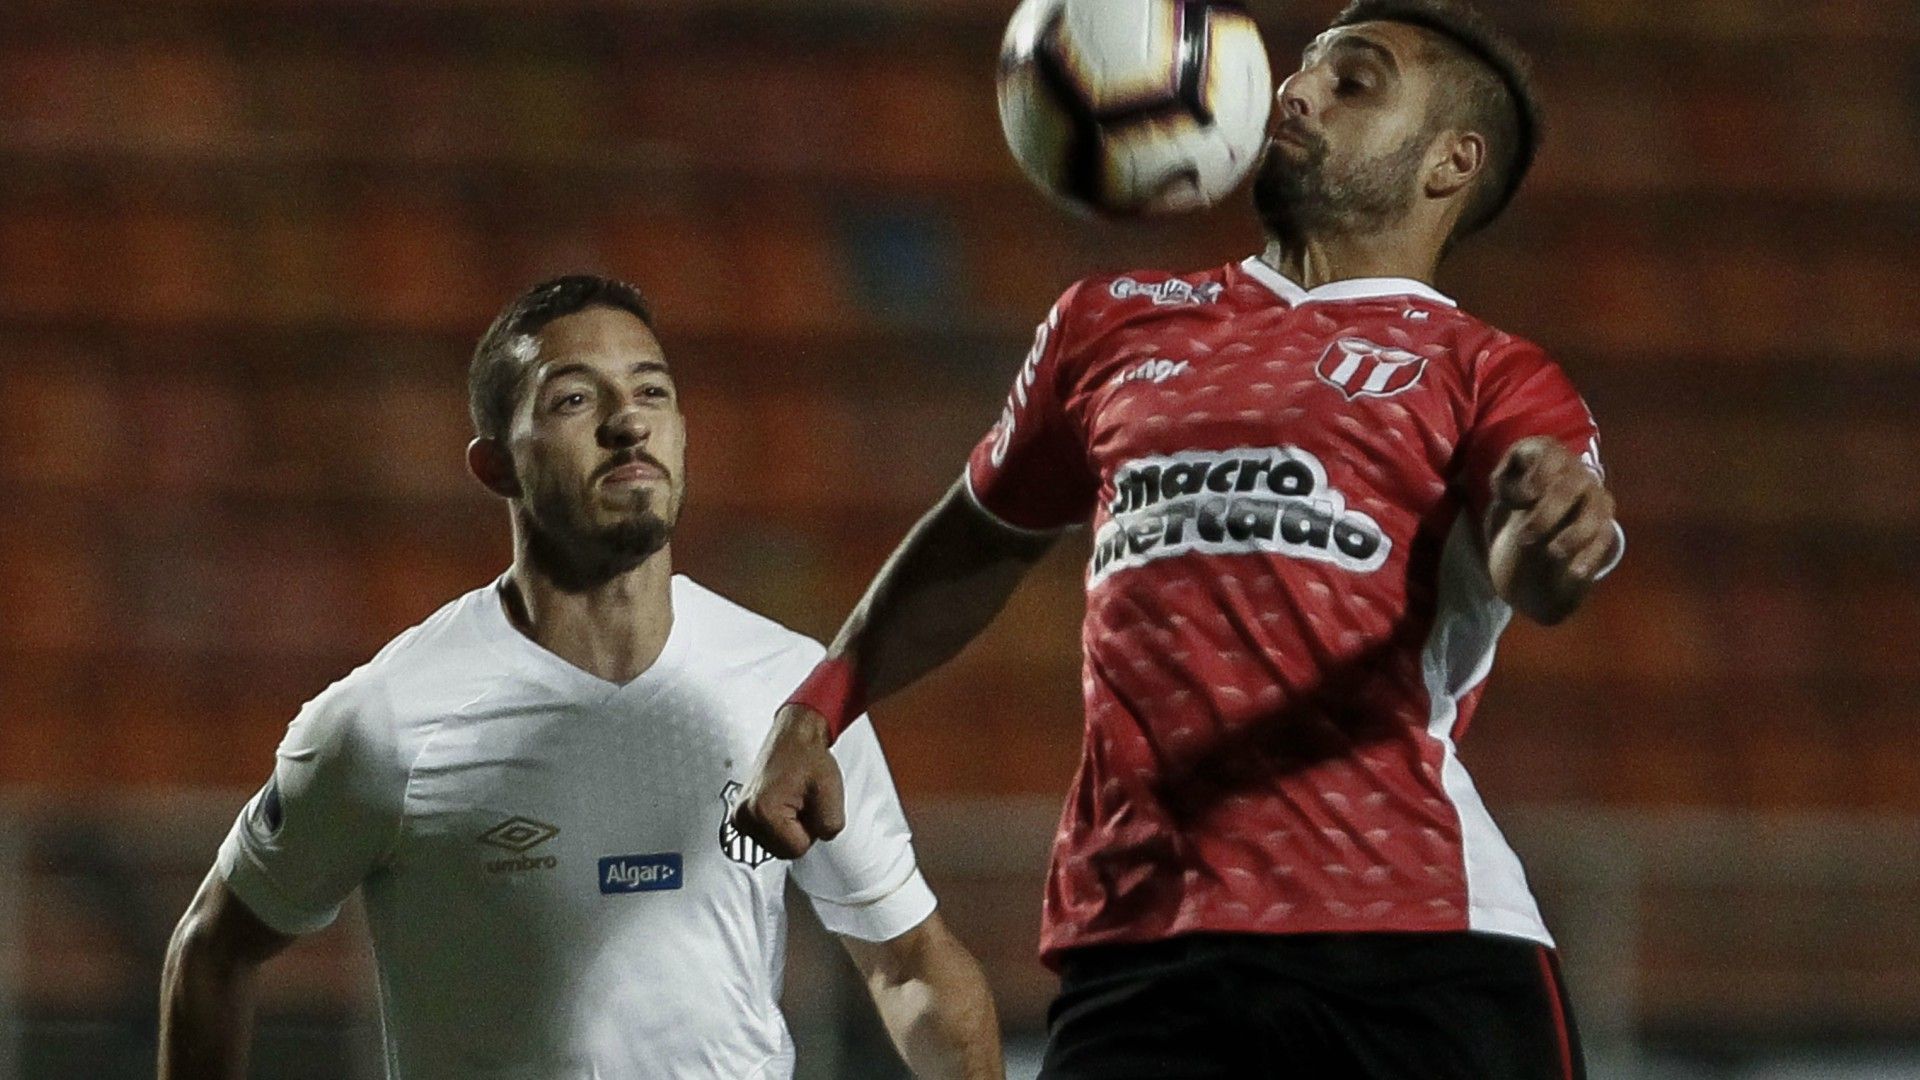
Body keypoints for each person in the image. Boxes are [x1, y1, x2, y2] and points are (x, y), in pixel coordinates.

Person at [734, 1, 1620, 1076]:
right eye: (1303, 72)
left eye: (1355, 83)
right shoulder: (1111, 322)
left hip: (1415, 942)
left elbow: (1541, 563)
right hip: (1143, 943)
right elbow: (980, 540)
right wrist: (819, 706)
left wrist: (1555, 529)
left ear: (1449, 163)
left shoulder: (1487, 370)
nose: (1293, 92)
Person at [158, 275, 1004, 1080]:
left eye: (652, 392)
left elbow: (910, 964)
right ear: (497, 467)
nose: (628, 424)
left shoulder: (790, 695)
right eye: (574, 398)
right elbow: (211, 952)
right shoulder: (387, 721)